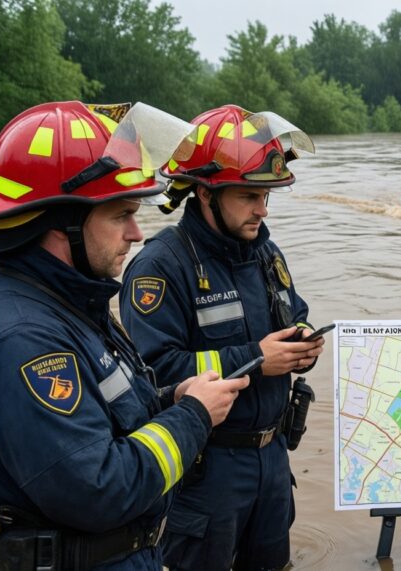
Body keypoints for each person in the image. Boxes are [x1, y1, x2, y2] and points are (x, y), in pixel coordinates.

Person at [0, 101, 249, 570]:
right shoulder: (24, 341)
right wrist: (193, 417)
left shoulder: (48, 299)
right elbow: (99, 489)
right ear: (58, 223)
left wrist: (169, 399)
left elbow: (98, 414)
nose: (137, 233)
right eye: (121, 215)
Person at [119, 104, 325, 571]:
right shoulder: (160, 267)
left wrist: (304, 347)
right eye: (249, 195)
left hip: (273, 462)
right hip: (207, 471)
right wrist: (256, 359)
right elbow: (153, 375)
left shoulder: (266, 253)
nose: (262, 209)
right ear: (206, 194)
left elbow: (295, 315)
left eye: (267, 195)